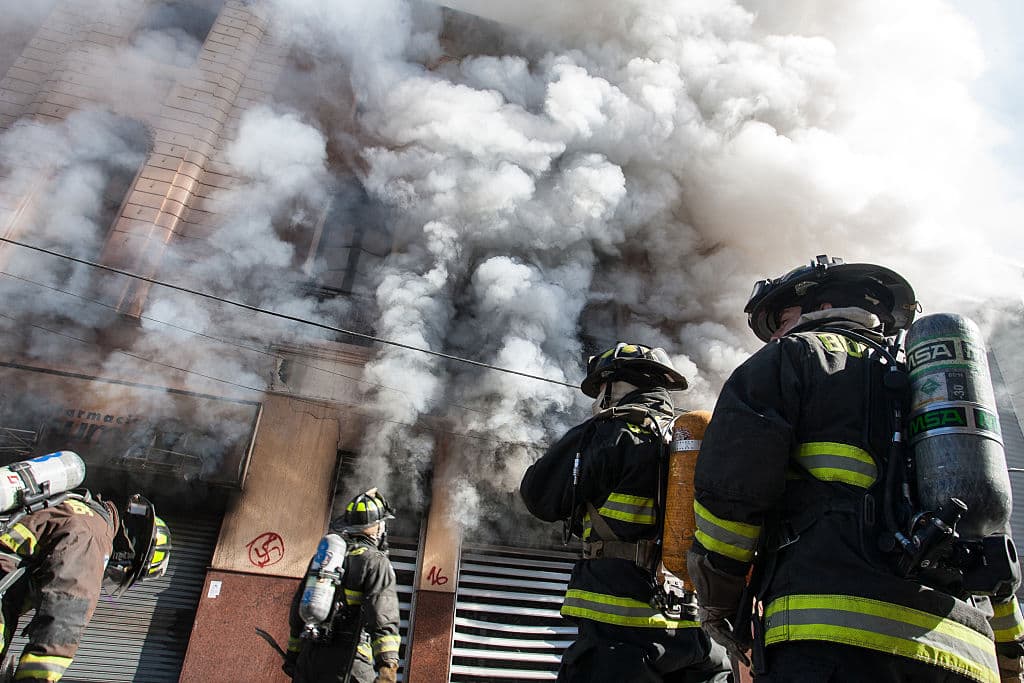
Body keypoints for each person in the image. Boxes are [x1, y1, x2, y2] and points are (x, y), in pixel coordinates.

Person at [687, 254, 1024, 682]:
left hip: (831, 639)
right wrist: (1010, 661)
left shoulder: (793, 357)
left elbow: (731, 495)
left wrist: (718, 602)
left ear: (822, 307)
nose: (776, 336)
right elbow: (995, 545)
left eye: (782, 320)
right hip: (965, 655)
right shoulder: (939, 397)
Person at [520, 342, 733, 682]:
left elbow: (539, 496)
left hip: (620, 633)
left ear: (609, 387)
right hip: (698, 635)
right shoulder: (695, 441)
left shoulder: (611, 430)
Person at [0, 490, 171, 681]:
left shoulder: (76, 505)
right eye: (125, 573)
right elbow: (65, 616)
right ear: (131, 557)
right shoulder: (93, 538)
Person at [285, 488, 401, 683]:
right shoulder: (375, 561)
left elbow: (298, 612)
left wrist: (293, 657)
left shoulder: (324, 559)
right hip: (348, 663)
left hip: (310, 658)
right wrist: (387, 669)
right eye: (381, 524)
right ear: (376, 527)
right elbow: (383, 617)